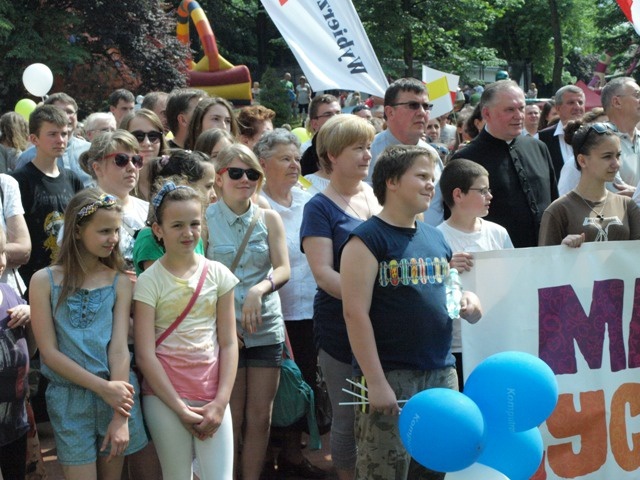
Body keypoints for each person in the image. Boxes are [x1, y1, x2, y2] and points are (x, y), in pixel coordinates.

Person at [340, 145, 482, 480]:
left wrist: (469, 302)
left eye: (432, 178)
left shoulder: (436, 238)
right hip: (391, 375)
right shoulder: (366, 239)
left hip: (440, 372)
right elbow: (354, 314)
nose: (430, 185)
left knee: (434, 467)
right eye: (421, 176)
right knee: (385, 469)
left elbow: (450, 294)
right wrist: (375, 382)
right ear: (391, 181)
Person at [29, 189, 148, 479]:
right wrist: (101, 387)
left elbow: (120, 348)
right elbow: (49, 353)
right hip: (70, 399)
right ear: (78, 231)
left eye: (116, 230)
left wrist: (120, 416)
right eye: (104, 230)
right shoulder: (43, 280)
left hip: (115, 395)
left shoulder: (119, 281)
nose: (114, 239)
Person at [134, 183, 238, 479]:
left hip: (212, 394)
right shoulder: (149, 281)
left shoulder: (219, 275)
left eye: (194, 224)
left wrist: (220, 402)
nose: (188, 233)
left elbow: (229, 343)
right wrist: (179, 408)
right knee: (177, 475)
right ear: (158, 229)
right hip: (164, 397)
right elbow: (145, 354)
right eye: (177, 225)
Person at [300, 115, 380, 480]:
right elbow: (323, 274)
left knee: (382, 409)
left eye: (368, 146)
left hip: (384, 321)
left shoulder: (377, 195)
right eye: (358, 148)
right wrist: (362, 295)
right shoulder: (318, 207)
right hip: (339, 324)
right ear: (331, 155)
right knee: (348, 413)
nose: (367, 155)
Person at [206, 144, 290, 480]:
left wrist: (261, 288)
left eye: (252, 173)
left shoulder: (269, 217)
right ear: (219, 177)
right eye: (236, 173)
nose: (245, 180)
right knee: (232, 416)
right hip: (225, 331)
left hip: (266, 326)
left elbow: (283, 268)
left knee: (260, 418)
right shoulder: (205, 218)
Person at [255, 129, 327, 479]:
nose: (293, 165)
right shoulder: (254, 205)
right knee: (272, 388)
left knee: (304, 384)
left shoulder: (309, 200)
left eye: (296, 158)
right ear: (263, 164)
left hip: (311, 311)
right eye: (284, 158)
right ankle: (266, 456)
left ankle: (294, 455)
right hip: (271, 315)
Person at [449, 80, 558, 247]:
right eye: (509, 110)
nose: (518, 115)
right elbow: (456, 219)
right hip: (495, 258)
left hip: (546, 254)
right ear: (486, 114)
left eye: (521, 108)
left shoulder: (539, 147)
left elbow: (554, 202)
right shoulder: (465, 160)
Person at [436, 158, 513, 388]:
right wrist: (446, 269)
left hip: (496, 338)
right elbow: (427, 290)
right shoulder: (437, 237)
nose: (490, 196)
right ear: (458, 195)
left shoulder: (498, 233)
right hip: (457, 345)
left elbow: (515, 279)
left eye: (489, 190)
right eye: (482, 191)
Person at [10, 105, 84, 294]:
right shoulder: (19, 181)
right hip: (32, 281)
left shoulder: (72, 179)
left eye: (64, 134)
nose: (60, 140)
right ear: (34, 139)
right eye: (52, 134)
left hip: (69, 277)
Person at [539, 121, 640, 246]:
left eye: (618, 156)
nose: (616, 163)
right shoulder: (559, 210)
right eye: (607, 156)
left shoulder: (627, 206)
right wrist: (562, 250)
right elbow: (545, 261)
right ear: (582, 160)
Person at [132, 150, 216, 276]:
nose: (214, 195)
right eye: (208, 186)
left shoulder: (194, 232)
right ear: (185, 184)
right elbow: (165, 288)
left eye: (194, 224)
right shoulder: (149, 238)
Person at [79, 130, 149, 274]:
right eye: (121, 160)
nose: (131, 167)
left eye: (136, 160)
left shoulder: (150, 210)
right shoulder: (82, 212)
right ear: (97, 168)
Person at [0, 225, 32, 480]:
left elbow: (31, 343)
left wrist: (31, 313)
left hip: (14, 420)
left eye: (1, 253)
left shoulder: (10, 294)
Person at [16, 92, 93, 187]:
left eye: (69, 112)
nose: (65, 116)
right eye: (59, 112)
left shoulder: (90, 150)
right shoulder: (28, 157)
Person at [119, 109, 169, 201]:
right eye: (138, 136)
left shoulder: (176, 179)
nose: (147, 143)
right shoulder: (114, 184)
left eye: (153, 136)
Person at [539, 85, 586, 181]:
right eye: (571, 103)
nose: (577, 106)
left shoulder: (596, 134)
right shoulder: (541, 138)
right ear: (558, 108)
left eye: (580, 102)